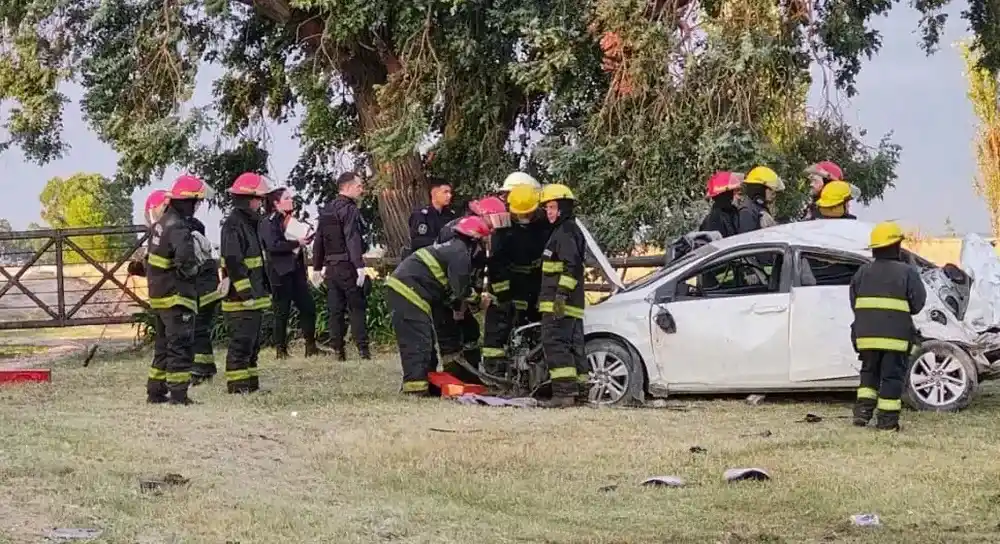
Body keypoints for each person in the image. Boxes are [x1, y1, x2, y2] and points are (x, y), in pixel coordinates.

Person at [387, 216, 492, 395]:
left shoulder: (452, 248)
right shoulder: (461, 254)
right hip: (408, 290)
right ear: (476, 240)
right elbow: (462, 289)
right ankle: (415, 390)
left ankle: (427, 385)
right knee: (418, 342)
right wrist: (479, 301)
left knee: (423, 339)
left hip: (410, 288)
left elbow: (447, 287)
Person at [850, 221, 926, 431]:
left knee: (869, 374)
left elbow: (854, 302)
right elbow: (918, 304)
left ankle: (862, 413)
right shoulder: (907, 272)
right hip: (896, 338)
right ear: (896, 246)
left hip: (865, 336)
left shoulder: (862, 272)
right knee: (892, 377)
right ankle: (887, 422)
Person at [143, 175, 211, 405]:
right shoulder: (179, 226)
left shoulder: (161, 223)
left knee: (162, 346)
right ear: (187, 201)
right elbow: (186, 261)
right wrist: (194, 270)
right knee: (180, 345)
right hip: (176, 296)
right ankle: (179, 395)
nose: (197, 206)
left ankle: (155, 391)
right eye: (196, 201)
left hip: (160, 296)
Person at [481, 184, 551, 379]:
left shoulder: (546, 224)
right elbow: (496, 261)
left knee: (533, 329)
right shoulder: (503, 227)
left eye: (528, 213)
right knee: (498, 331)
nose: (524, 218)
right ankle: (494, 372)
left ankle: (532, 371)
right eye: (520, 214)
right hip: (508, 284)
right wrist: (503, 293)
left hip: (535, 284)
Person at [220, 172, 273, 394]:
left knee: (252, 346)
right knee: (241, 344)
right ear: (247, 199)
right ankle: (238, 387)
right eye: (258, 199)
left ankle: (251, 386)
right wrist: (246, 293)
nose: (260, 203)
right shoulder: (234, 225)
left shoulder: (251, 224)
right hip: (240, 299)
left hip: (254, 296)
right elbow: (233, 261)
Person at [537, 183, 588, 408]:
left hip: (559, 303)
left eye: (552, 207)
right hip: (569, 303)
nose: (549, 212)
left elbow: (571, 266)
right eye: (547, 207)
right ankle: (581, 391)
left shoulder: (565, 232)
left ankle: (564, 393)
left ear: (564, 208)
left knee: (555, 344)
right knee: (574, 347)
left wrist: (560, 296)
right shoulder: (565, 230)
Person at [313, 172, 370, 361]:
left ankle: (338, 350)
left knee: (335, 309)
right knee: (356, 307)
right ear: (346, 187)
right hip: (347, 265)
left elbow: (319, 240)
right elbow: (352, 238)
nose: (361, 189)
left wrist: (316, 266)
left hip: (331, 267)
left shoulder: (327, 210)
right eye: (358, 186)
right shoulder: (350, 210)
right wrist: (359, 266)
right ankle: (363, 350)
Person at [260, 186, 321, 359]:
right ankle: (281, 350)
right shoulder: (268, 222)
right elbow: (273, 245)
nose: (291, 200)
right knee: (282, 311)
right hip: (279, 272)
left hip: (296, 271)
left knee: (308, 307)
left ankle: (311, 346)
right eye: (286, 198)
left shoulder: (290, 220)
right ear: (276, 203)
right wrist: (297, 243)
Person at [189, 213, 222, 384]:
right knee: (202, 329)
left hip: (202, 292)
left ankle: (200, 370)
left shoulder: (194, 243)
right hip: (211, 292)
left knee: (198, 330)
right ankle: (208, 367)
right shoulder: (205, 244)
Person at [406, 177, 457, 256]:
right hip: (425, 258)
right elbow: (418, 242)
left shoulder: (450, 215)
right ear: (434, 193)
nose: (449, 196)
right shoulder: (421, 215)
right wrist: (442, 243)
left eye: (450, 192)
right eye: (445, 192)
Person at [738, 166, 785, 233]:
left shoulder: (759, 208)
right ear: (759, 189)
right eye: (770, 189)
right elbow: (747, 240)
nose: (773, 193)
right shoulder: (747, 211)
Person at [699, 171, 744, 237]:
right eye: (733, 192)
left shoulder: (732, 212)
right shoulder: (714, 219)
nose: (738, 197)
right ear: (725, 196)